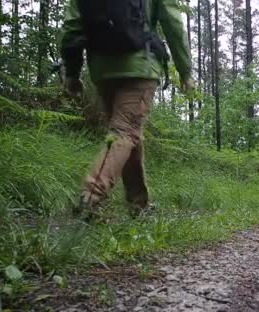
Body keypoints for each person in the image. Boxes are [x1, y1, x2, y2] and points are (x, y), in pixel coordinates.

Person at [60, 0, 193, 218]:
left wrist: (72, 73)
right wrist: (185, 71)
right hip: (140, 65)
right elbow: (173, 23)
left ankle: (138, 206)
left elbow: (72, 28)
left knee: (129, 134)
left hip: (102, 69)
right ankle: (91, 195)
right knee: (125, 132)